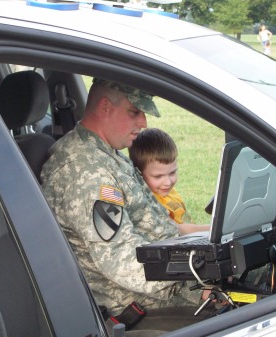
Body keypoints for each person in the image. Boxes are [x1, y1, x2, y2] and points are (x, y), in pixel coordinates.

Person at [41, 78, 210, 332]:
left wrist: (212, 235)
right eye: (134, 112)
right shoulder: (86, 171)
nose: (143, 122)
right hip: (146, 305)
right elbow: (123, 262)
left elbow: (161, 227)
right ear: (105, 107)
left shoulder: (107, 155)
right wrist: (199, 270)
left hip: (167, 284)